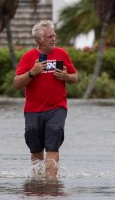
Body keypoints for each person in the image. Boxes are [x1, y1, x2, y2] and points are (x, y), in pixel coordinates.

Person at [14, 19, 77, 178]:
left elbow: (75, 78)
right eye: (49, 36)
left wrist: (65, 76)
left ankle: (51, 186)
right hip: (33, 110)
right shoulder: (29, 57)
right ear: (39, 40)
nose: (54, 39)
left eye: (54, 35)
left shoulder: (62, 54)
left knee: (52, 147)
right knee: (36, 151)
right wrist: (32, 72)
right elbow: (16, 83)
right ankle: (37, 184)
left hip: (57, 108)